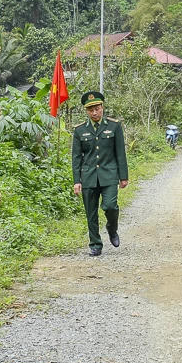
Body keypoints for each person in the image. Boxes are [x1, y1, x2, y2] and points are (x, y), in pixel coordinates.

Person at [71, 90, 129, 256]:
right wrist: (77, 181)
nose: (94, 113)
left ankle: (112, 228)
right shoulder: (80, 130)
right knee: (91, 213)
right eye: (91, 110)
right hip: (88, 176)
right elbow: (76, 157)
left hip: (109, 174)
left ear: (102, 107)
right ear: (86, 111)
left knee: (110, 206)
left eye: (97, 108)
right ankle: (95, 244)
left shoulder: (114, 126)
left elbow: (120, 153)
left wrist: (123, 176)